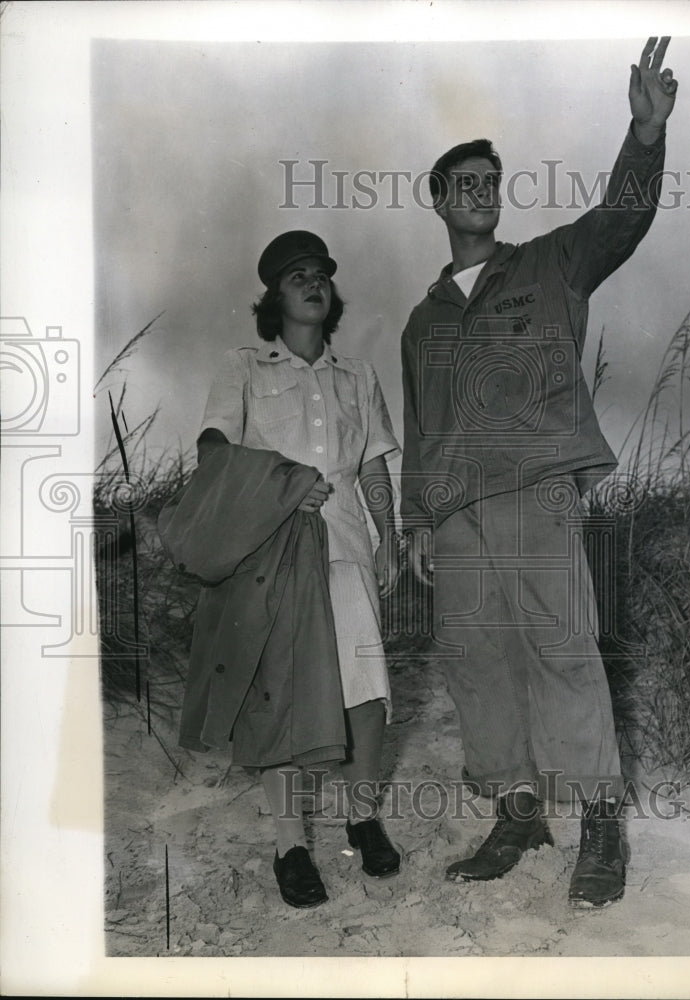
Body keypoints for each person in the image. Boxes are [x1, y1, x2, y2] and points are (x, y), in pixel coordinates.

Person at [400, 37, 678, 907]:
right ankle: (517, 811)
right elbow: (420, 426)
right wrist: (416, 522)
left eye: (492, 180)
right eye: (465, 183)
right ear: (440, 201)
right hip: (455, 510)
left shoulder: (551, 263)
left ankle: (600, 821)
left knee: (565, 652)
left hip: (537, 490)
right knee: (476, 662)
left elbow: (621, 219)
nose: (481, 192)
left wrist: (644, 136)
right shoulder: (421, 320)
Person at [187, 230, 402, 908]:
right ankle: (290, 845)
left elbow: (370, 463)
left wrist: (388, 538)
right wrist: (281, 484)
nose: (313, 283)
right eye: (296, 276)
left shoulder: (358, 376)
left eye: (321, 275)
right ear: (273, 297)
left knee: (366, 692)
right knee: (280, 696)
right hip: (273, 550)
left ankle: (362, 817)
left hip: (345, 546)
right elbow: (214, 447)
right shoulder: (244, 367)